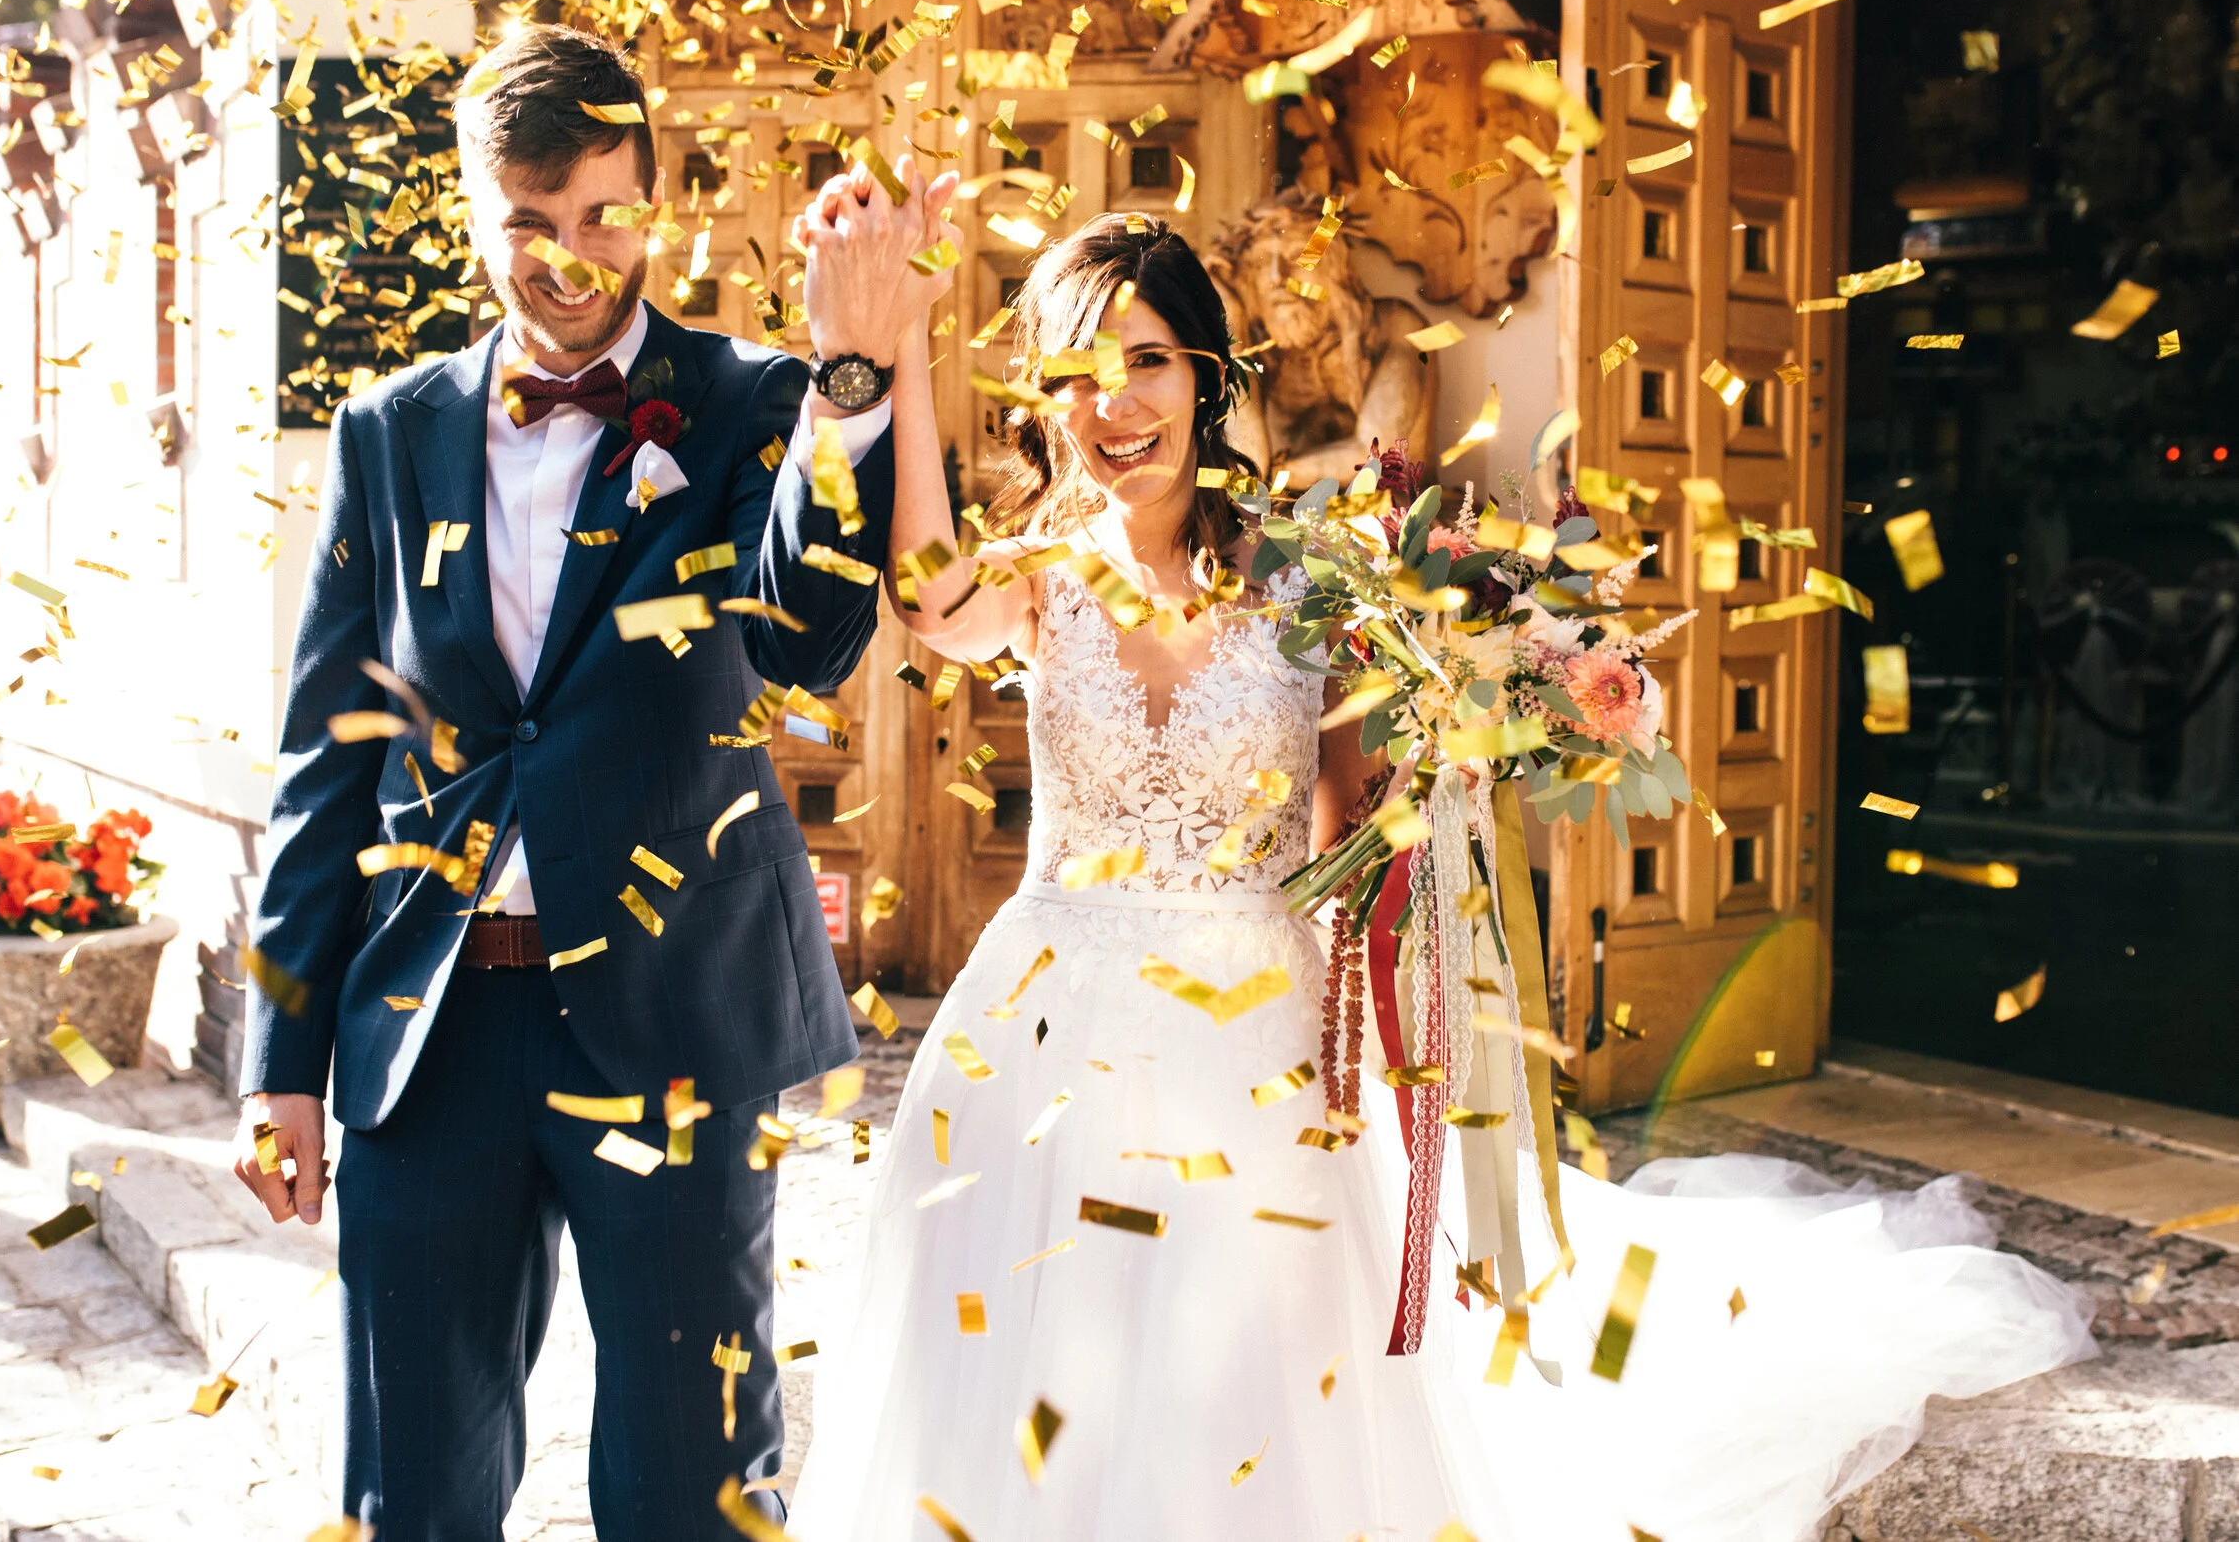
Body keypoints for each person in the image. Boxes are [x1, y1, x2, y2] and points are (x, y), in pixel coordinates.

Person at [787, 213, 2097, 1541]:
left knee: (1248, 1382)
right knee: (1036, 1350)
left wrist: (1427, 1111)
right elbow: (923, 595)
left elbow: (1365, 844)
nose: (1112, 403)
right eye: (1074, 373)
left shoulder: (1312, 585)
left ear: (1208, 379)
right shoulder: (1039, 584)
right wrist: (896, 341)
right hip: (1043, 1036)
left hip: (1258, 1049)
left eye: (1148, 362)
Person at [228, 23, 954, 1541]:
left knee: (688, 1490)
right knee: (413, 1490)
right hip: (433, 1028)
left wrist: (857, 380)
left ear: (655, 203)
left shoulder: (763, 400)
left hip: (679, 1016)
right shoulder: (388, 432)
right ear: (474, 214)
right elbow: (328, 755)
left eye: (605, 215)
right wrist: (281, 1062)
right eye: (531, 223)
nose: (571, 258)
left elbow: (812, 637)